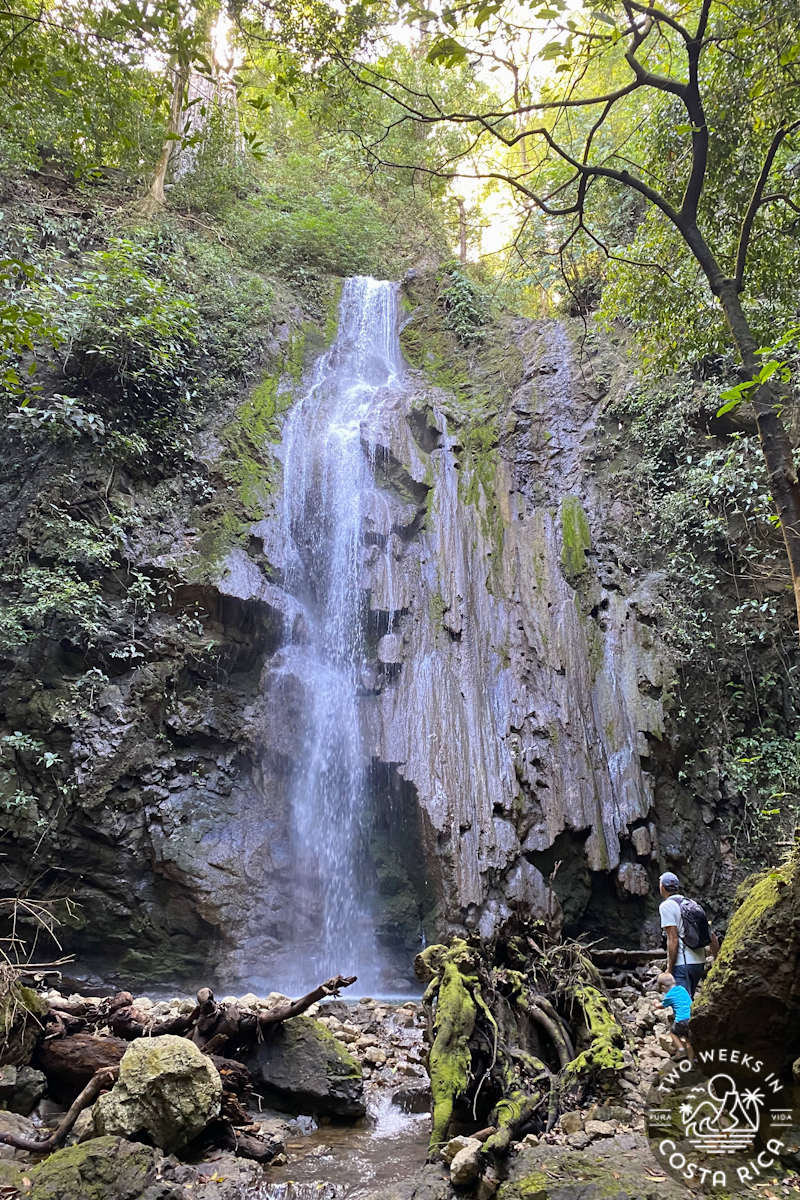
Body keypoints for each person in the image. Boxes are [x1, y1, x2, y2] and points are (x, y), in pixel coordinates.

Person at [658, 871, 718, 998]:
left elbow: (673, 938)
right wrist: (717, 959)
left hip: (683, 963)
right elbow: (711, 935)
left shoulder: (667, 906)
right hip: (699, 963)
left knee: (682, 1005)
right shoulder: (692, 904)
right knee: (688, 1002)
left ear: (662, 887)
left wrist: (669, 968)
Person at [656, 970, 692, 1057]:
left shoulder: (669, 995)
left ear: (664, 987)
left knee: (673, 1033)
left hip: (682, 1020)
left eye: (662, 990)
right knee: (688, 1041)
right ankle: (692, 1063)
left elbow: (661, 1006)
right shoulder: (682, 989)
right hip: (692, 1017)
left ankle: (681, 1049)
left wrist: (655, 1003)